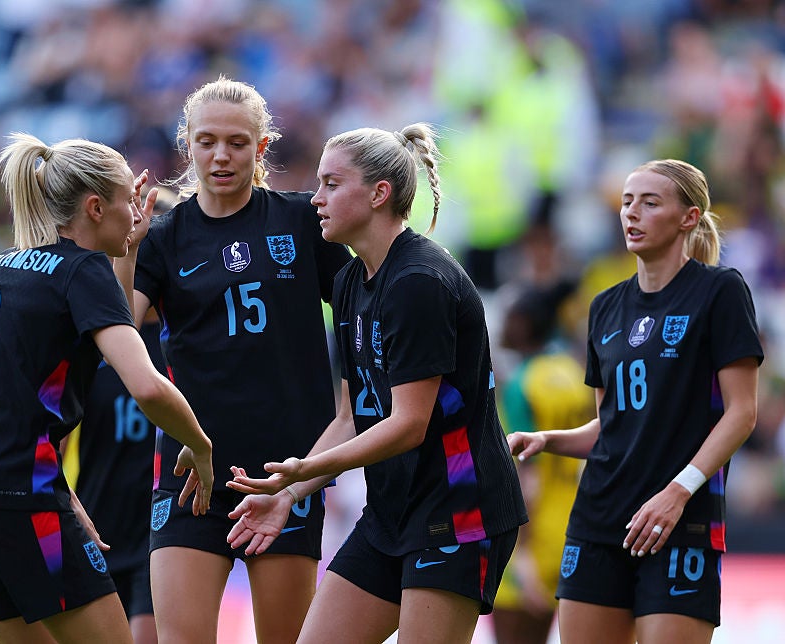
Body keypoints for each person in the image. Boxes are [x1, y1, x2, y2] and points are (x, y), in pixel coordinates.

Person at [227, 123, 527, 644]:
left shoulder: (418, 283)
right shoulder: (347, 281)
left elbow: (409, 425)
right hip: (392, 510)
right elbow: (351, 415)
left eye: (331, 184)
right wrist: (289, 493)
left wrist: (304, 468)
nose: (315, 198)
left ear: (379, 193)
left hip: (457, 510)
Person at [0, 133, 214, 644]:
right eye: (129, 199)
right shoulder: (82, 270)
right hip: (19, 495)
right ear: (96, 207)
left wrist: (132, 249)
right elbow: (145, 385)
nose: (137, 211)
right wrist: (200, 443)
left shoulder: (0, 268)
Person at [114, 76, 353, 644]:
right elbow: (120, 329)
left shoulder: (302, 222)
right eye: (207, 141)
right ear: (188, 144)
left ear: (262, 147)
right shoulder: (163, 235)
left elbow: (363, 307)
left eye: (238, 142)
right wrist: (125, 250)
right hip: (189, 472)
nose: (221, 155)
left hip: (284, 474)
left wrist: (350, 405)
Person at [507, 159, 763, 644]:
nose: (632, 214)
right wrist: (546, 439)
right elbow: (609, 426)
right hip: (598, 521)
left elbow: (743, 413)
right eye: (627, 202)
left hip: (679, 521)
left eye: (649, 202)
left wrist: (678, 490)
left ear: (688, 217)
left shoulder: (720, 292)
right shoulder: (604, 306)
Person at [65, 186, 182, 644]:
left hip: (164, 527)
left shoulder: (185, 340)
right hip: (100, 526)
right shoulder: (98, 339)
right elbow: (52, 425)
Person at [492, 280, 594, 644]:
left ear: (523, 323)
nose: (502, 325)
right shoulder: (573, 373)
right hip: (569, 530)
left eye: (508, 317)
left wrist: (520, 554)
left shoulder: (523, 383)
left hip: (528, 538)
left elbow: (527, 477)